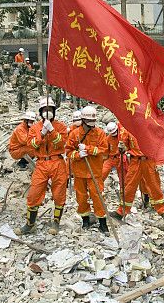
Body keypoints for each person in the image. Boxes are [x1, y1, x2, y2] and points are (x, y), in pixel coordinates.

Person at [20, 97, 68, 235]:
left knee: (59, 194)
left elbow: (61, 143)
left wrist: (52, 131)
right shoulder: (35, 128)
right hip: (41, 163)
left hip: (57, 162)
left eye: (50, 109)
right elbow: (32, 145)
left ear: (54, 111)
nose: (48, 112)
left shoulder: (61, 126)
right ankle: (30, 224)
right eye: (45, 110)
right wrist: (42, 133)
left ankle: (56, 223)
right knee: (34, 193)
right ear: (40, 112)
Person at [109, 128, 164, 220]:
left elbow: (159, 143)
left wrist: (159, 161)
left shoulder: (148, 126)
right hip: (135, 161)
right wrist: (122, 147)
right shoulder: (128, 128)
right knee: (129, 186)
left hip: (149, 160)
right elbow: (126, 146)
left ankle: (161, 210)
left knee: (154, 185)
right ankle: (121, 211)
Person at [65, 106, 109, 234]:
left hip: (94, 171)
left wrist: (88, 149)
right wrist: (78, 155)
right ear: (83, 121)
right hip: (79, 172)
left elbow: (104, 150)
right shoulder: (74, 134)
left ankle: (103, 224)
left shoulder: (100, 133)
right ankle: (85, 220)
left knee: (98, 197)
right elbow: (68, 152)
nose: (91, 125)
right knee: (81, 197)